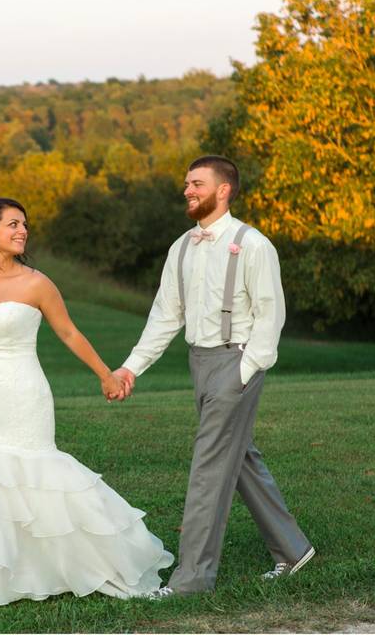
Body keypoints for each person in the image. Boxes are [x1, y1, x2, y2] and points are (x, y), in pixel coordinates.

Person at [0, 197, 173, 608]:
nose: (22, 231)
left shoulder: (38, 283)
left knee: (34, 474)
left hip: (25, 395)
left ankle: (68, 565)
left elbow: (70, 333)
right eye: (13, 224)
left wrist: (106, 375)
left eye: (25, 225)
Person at [111, 155, 314, 599]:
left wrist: (242, 372)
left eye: (196, 183)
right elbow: (166, 316)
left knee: (207, 468)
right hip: (199, 363)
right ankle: (293, 549)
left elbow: (270, 316)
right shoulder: (181, 247)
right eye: (186, 183)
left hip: (236, 362)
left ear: (223, 190)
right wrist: (131, 366)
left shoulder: (253, 244)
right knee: (238, 457)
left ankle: (191, 581)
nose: (187, 190)